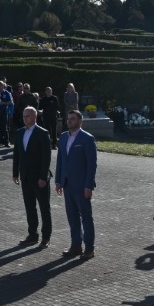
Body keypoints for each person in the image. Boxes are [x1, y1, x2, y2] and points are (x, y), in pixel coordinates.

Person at [54, 110, 97, 260]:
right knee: (72, 217)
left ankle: (89, 248)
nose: (69, 121)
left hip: (81, 186)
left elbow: (92, 165)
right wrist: (58, 181)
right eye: (68, 119)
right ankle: (76, 245)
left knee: (86, 217)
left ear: (80, 121)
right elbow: (60, 160)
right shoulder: (63, 137)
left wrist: (88, 186)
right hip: (67, 184)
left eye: (72, 119)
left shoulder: (87, 139)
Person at [13, 107, 52, 249]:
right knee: (30, 207)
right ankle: (32, 234)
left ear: (35, 117)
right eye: (23, 116)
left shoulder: (43, 133)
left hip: (39, 178)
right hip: (25, 176)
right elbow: (17, 154)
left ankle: (46, 237)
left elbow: (46, 158)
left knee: (44, 208)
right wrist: (15, 173)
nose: (25, 118)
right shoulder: (19, 132)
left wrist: (43, 177)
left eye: (28, 116)